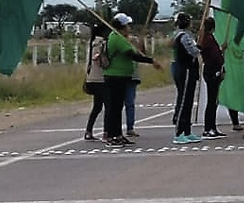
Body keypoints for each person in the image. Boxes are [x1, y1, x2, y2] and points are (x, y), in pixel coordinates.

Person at [103, 13, 162, 147]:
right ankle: (112, 136)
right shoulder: (116, 38)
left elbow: (135, 51)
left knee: (118, 107)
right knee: (114, 108)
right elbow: (132, 55)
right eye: (128, 25)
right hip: (115, 76)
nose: (130, 28)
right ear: (122, 26)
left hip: (122, 76)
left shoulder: (121, 38)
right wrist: (151, 61)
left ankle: (118, 134)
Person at [197, 16, 231, 139]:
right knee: (212, 101)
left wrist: (221, 49)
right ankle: (208, 128)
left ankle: (212, 127)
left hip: (210, 70)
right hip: (212, 71)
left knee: (213, 101)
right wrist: (221, 57)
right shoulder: (209, 39)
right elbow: (215, 55)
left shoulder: (205, 39)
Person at [171, 13, 201, 144]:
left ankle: (187, 131)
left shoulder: (185, 35)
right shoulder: (183, 36)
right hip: (185, 70)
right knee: (183, 101)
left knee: (188, 101)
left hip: (189, 70)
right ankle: (179, 133)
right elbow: (194, 51)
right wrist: (199, 46)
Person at [82, 23, 110, 142]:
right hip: (101, 78)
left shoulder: (91, 43)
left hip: (91, 78)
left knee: (97, 107)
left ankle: (89, 131)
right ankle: (106, 132)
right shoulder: (102, 44)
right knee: (108, 106)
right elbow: (103, 62)